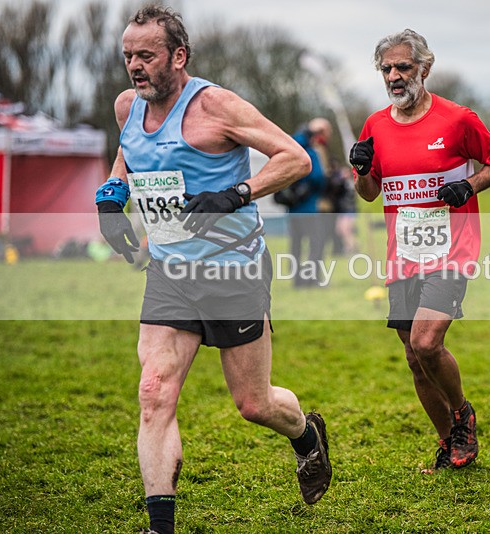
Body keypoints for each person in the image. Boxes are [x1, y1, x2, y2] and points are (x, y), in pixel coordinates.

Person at [94, 7, 331, 532]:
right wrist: (112, 198)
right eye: (128, 55)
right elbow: (130, 156)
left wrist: (234, 194)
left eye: (146, 55)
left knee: (254, 403)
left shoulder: (216, 105)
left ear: (178, 56)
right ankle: (161, 526)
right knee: (153, 392)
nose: (134, 65)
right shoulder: (127, 106)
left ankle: (306, 436)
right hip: (170, 270)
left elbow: (295, 158)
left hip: (233, 272)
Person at [349, 29, 490, 474]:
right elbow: (368, 193)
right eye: (387, 69)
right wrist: (361, 169)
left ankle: (462, 415)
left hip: (452, 251)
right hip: (403, 255)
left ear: (425, 67)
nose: (395, 76)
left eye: (403, 66)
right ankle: (448, 443)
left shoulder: (458, 119)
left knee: (426, 341)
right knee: (414, 358)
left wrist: (467, 185)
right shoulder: (375, 126)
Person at [287, 118, 331, 287]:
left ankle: (297, 280)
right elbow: (318, 177)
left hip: (293, 207)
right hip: (310, 206)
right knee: (316, 243)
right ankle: (311, 279)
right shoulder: (310, 152)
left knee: (296, 245)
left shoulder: (290, 148)